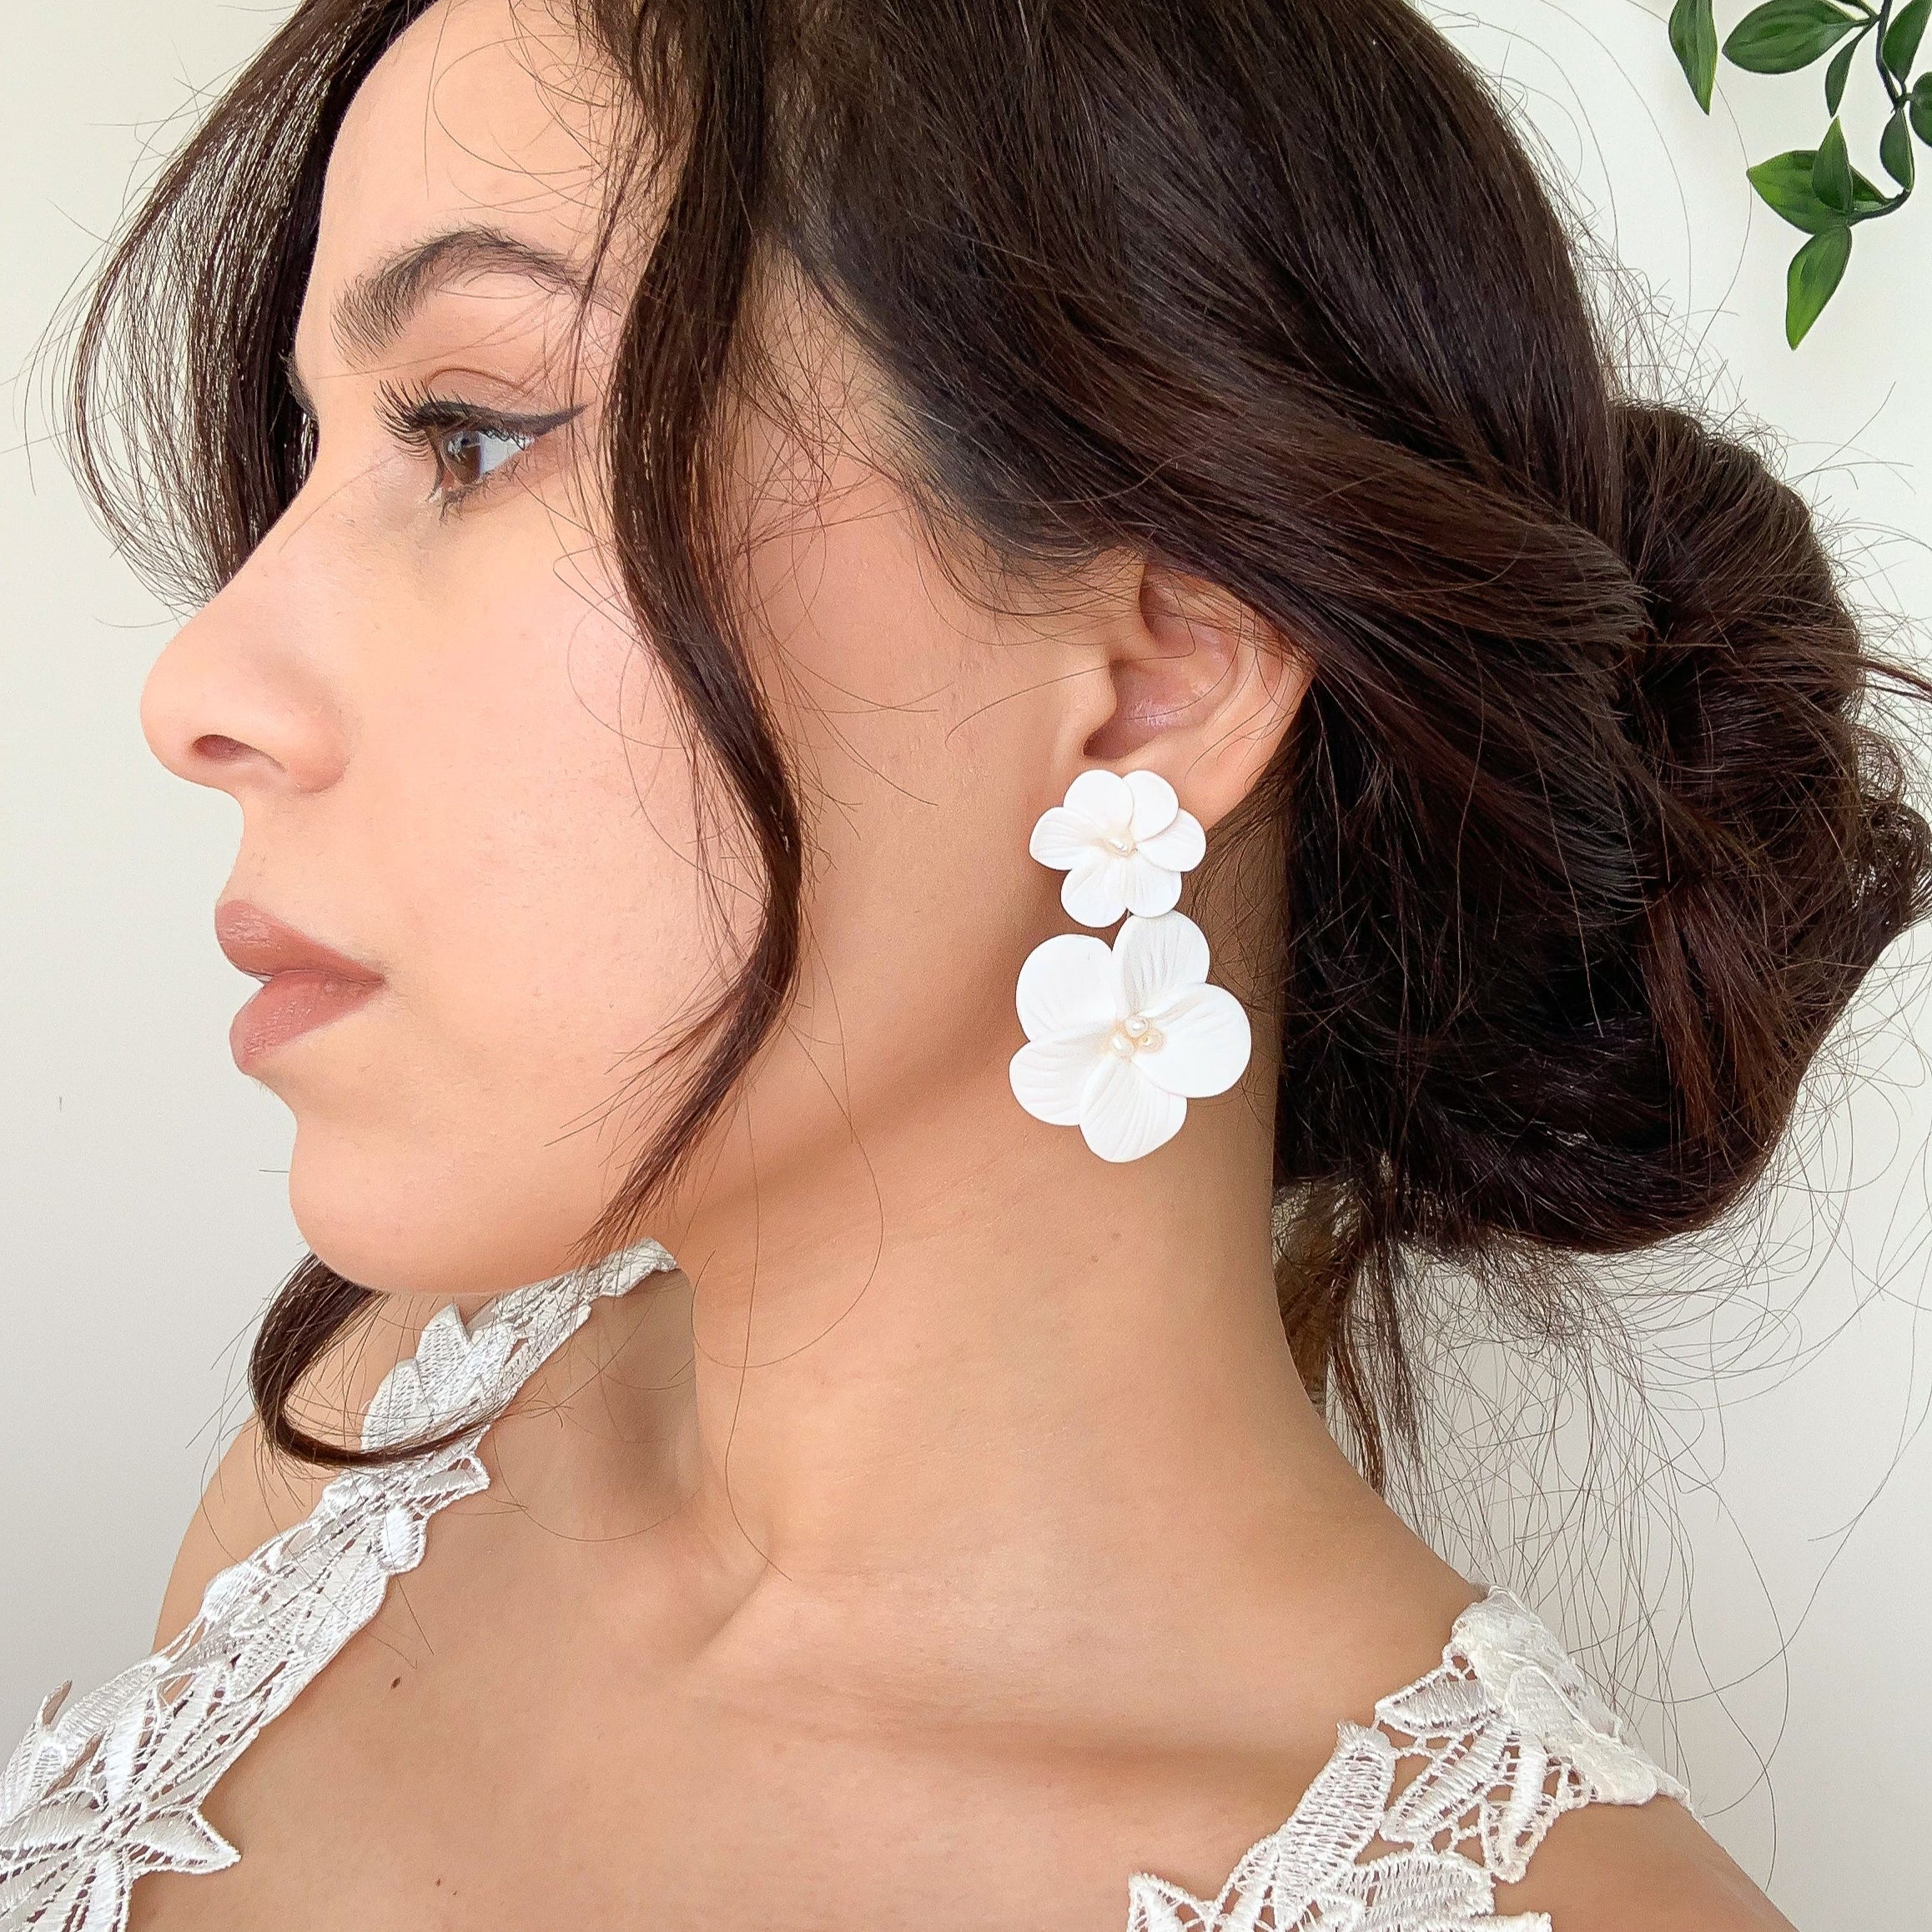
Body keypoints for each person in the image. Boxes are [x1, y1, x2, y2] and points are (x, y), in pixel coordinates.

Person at [6, 0, 1925, 1925]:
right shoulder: (370, 1454)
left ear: (1155, 683)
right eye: (317, 451)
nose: (201, 687)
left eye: (474, 431)